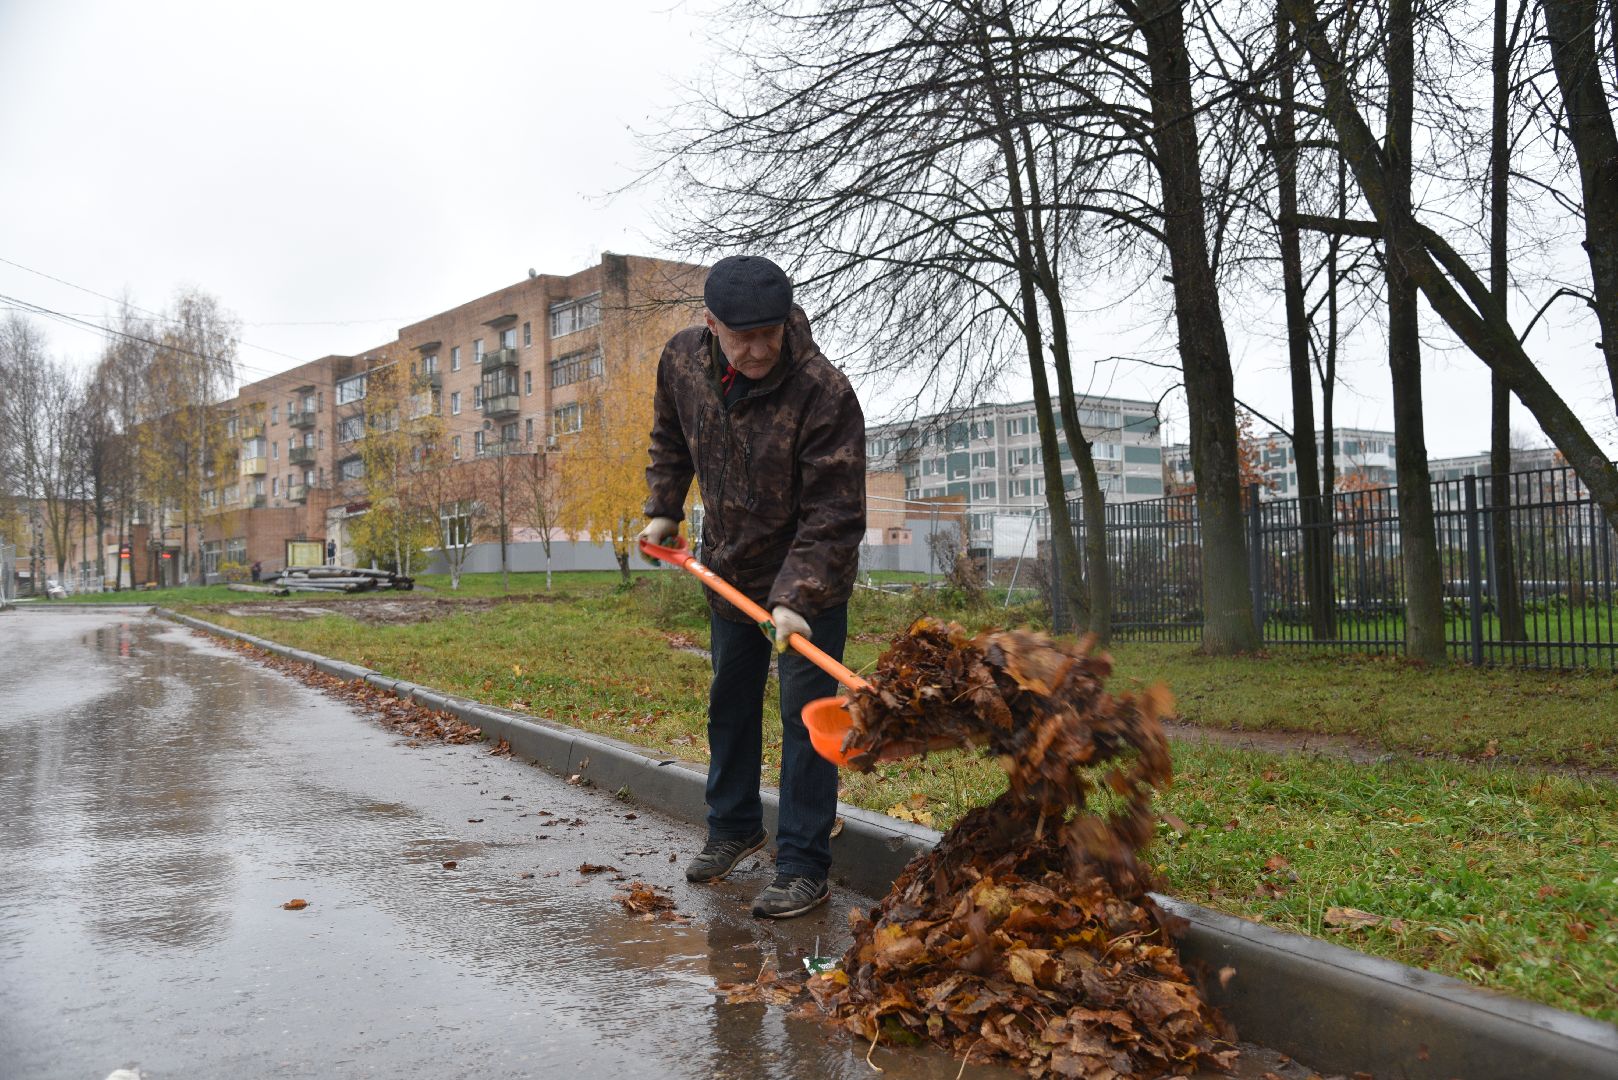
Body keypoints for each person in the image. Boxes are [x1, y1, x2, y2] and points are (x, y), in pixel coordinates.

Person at [639, 255, 866, 919]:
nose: (760, 349)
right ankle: (734, 826)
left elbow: (835, 513)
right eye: (744, 337)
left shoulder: (822, 391)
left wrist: (796, 598)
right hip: (730, 567)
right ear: (711, 325)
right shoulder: (682, 360)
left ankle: (802, 865)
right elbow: (669, 437)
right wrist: (664, 507)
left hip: (808, 580)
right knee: (729, 704)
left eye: (770, 333)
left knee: (806, 723)